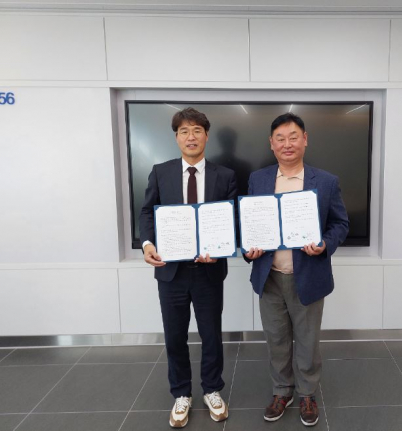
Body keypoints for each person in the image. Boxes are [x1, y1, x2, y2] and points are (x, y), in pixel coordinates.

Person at [244, 113, 349, 427]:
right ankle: (281, 390)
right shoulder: (258, 179)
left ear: (305, 140)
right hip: (269, 276)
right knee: (276, 339)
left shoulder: (326, 181)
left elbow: (340, 224)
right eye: (280, 138)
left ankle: (307, 393)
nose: (287, 144)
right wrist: (248, 248)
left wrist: (324, 244)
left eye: (293, 137)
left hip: (309, 275)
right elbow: (247, 223)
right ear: (271, 143)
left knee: (307, 340)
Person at [139, 107, 237, 428]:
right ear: (176, 137)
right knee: (174, 336)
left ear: (206, 136)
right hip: (171, 271)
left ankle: (212, 389)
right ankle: (181, 393)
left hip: (209, 271)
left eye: (197, 130)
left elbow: (232, 219)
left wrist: (221, 249)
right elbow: (147, 212)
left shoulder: (225, 176)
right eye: (184, 131)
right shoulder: (161, 172)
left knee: (211, 335)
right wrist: (148, 244)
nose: (190, 137)